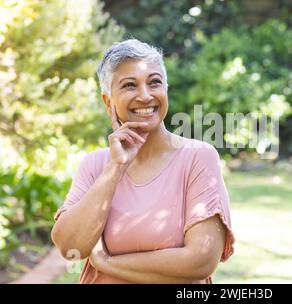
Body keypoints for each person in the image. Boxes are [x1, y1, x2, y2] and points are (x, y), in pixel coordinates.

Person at [51, 39, 234, 284]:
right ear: (109, 103)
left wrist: (106, 263)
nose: (145, 95)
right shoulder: (95, 165)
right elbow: (70, 247)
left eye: (154, 82)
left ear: (165, 90)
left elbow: (201, 259)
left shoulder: (198, 157)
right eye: (129, 85)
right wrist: (115, 168)